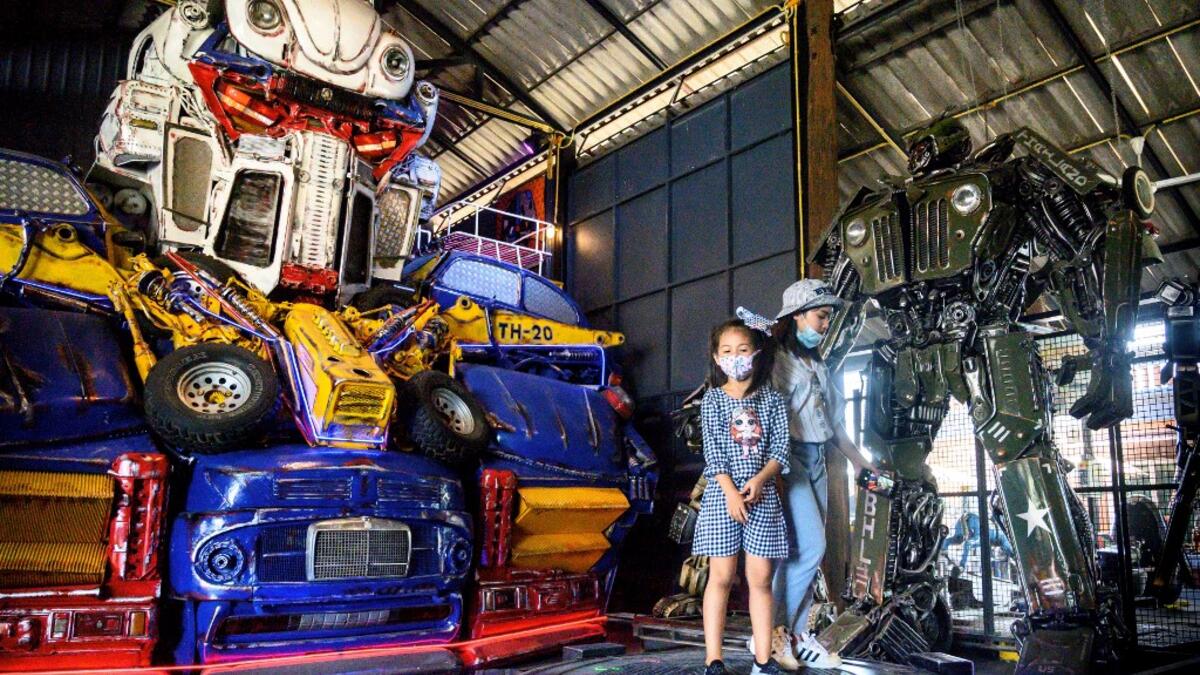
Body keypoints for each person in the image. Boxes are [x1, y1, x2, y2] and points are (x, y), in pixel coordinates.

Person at [756, 278, 869, 670]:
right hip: (789, 460)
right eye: (821, 317)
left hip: (819, 458)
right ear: (798, 315)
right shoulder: (773, 362)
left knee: (802, 554)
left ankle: (797, 637)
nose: (825, 324)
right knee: (812, 547)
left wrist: (858, 460)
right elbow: (761, 416)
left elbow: (833, 422)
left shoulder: (817, 363)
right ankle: (771, 633)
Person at [693, 319, 791, 675]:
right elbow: (714, 454)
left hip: (761, 499)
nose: (735, 357)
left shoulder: (774, 401)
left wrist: (761, 480)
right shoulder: (713, 401)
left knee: (760, 579)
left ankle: (763, 661)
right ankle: (713, 660)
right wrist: (731, 491)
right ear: (717, 359)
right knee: (720, 577)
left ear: (756, 354)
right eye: (727, 352)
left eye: (743, 350)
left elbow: (780, 450)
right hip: (723, 497)